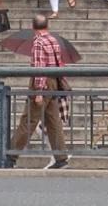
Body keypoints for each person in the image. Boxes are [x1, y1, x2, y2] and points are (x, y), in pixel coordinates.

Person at [9, 12, 71, 170]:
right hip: (53, 82)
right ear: (47, 26)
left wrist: (38, 91)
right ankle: (61, 157)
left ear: (33, 27)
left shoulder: (38, 42)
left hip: (41, 83)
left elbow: (39, 67)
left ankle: (10, 156)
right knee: (53, 121)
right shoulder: (53, 40)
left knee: (28, 120)